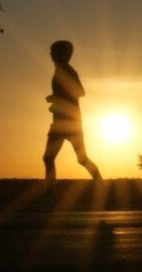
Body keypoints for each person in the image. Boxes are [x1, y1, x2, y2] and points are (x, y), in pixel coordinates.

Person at [42, 40, 102, 185]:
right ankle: (102, 186)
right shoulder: (61, 70)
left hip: (68, 123)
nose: (50, 55)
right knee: (78, 159)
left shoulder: (66, 70)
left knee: (54, 158)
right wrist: (56, 101)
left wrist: (55, 98)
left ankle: (50, 194)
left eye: (53, 52)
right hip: (64, 122)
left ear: (60, 54)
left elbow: (80, 92)